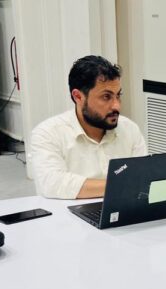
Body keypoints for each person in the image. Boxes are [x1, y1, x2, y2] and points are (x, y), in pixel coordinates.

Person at [30, 55, 147, 199]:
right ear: (78, 97)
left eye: (118, 95)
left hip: (122, 208)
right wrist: (123, 185)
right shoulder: (47, 133)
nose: (116, 106)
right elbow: (52, 184)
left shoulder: (130, 129)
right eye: (106, 97)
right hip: (66, 211)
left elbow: (142, 176)